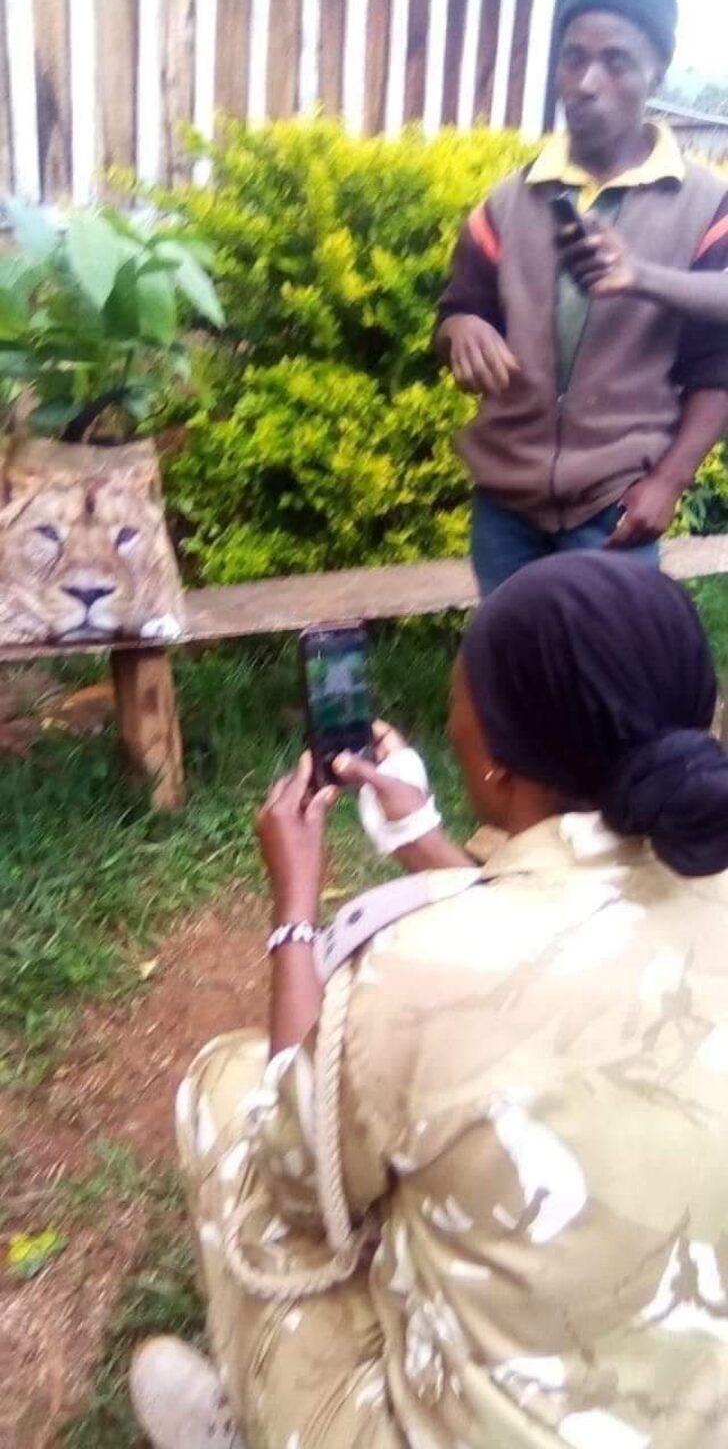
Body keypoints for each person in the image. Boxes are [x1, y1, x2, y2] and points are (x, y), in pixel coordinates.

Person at [131, 553, 728, 1449]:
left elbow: (300, 1177)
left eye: (462, 703)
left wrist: (295, 909)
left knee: (231, 1088)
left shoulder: (415, 974)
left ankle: (267, 1410)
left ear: (491, 769)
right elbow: (570, 915)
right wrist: (422, 839)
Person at [437, 0, 728, 594]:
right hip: (506, 503)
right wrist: (462, 329)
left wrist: (669, 484)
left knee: (604, 679)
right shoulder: (508, 201)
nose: (586, 83)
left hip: (616, 504)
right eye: (573, 60)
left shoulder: (704, 206)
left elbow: (717, 370)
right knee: (512, 670)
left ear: (657, 74)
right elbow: (459, 309)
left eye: (616, 62)